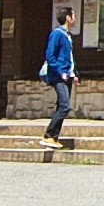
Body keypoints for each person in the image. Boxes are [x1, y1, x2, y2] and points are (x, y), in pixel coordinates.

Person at [40, 9, 77, 145]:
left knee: (61, 106)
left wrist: (74, 73)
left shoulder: (67, 35)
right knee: (65, 106)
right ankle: (48, 134)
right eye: (73, 15)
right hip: (58, 76)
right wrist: (60, 71)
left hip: (67, 75)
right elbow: (50, 55)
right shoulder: (57, 34)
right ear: (68, 17)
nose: (75, 18)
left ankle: (54, 137)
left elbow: (68, 58)